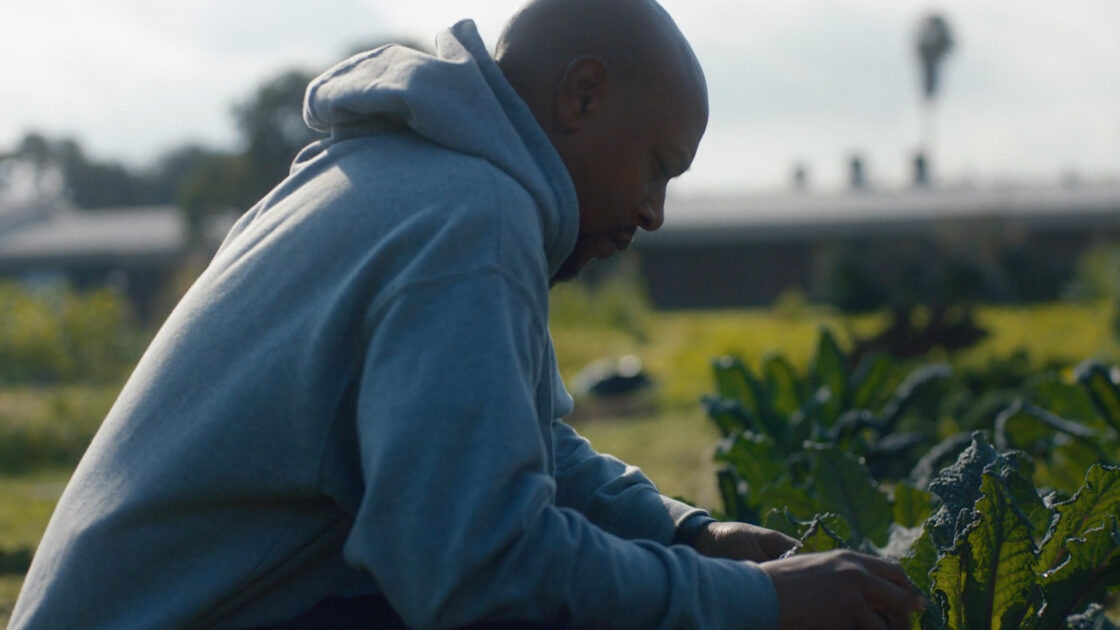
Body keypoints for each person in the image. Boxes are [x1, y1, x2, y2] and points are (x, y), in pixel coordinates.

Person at [10, 0, 924, 628]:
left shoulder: (411, 177)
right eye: (657, 167)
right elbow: (480, 570)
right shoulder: (469, 217)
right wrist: (765, 607)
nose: (653, 213)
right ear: (582, 96)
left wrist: (692, 535)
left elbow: (509, 444)